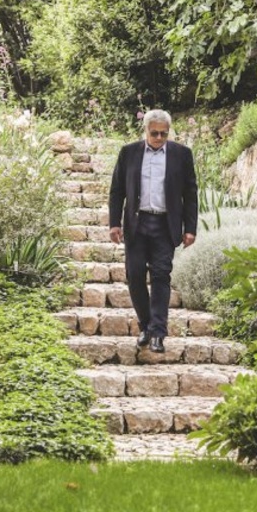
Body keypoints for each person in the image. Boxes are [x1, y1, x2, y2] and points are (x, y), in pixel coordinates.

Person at [108, 109, 197, 357]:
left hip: (166, 225)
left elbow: (190, 193)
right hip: (137, 224)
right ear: (145, 130)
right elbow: (117, 190)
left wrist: (190, 228)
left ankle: (158, 333)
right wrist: (114, 223)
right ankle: (145, 325)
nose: (159, 138)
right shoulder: (129, 153)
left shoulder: (181, 154)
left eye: (163, 134)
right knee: (134, 275)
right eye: (154, 133)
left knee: (161, 276)